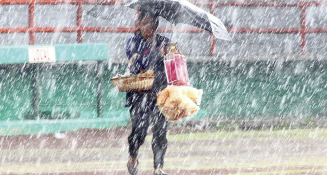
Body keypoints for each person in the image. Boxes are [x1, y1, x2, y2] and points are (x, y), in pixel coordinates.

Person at [125, 11, 170, 175]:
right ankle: (133, 157)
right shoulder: (133, 42)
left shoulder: (165, 42)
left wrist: (170, 55)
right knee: (139, 131)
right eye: (145, 23)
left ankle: (158, 167)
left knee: (160, 132)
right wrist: (156, 54)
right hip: (139, 95)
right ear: (139, 24)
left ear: (157, 25)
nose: (149, 27)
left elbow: (173, 66)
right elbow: (137, 66)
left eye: (152, 23)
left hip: (160, 95)